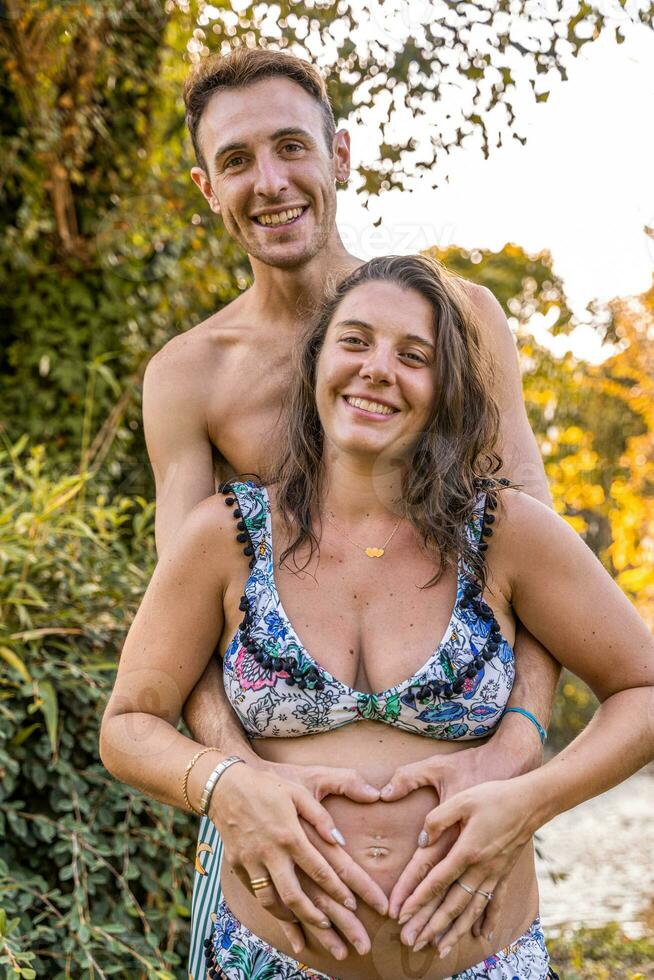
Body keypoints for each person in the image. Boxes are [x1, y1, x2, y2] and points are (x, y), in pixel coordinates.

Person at [100, 254, 654, 979]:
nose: (377, 369)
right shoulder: (226, 536)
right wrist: (224, 786)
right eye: (355, 341)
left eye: (413, 355)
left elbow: (642, 691)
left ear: (445, 388)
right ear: (317, 364)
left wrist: (531, 800)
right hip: (262, 961)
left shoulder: (507, 533)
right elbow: (129, 722)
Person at [142, 48, 561, 978]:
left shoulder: (457, 322)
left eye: (292, 146)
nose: (272, 181)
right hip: (267, 853)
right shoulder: (190, 377)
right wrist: (237, 786)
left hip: (464, 832)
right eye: (239, 160)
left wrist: (516, 755)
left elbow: (539, 561)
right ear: (207, 187)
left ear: (340, 155)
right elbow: (183, 623)